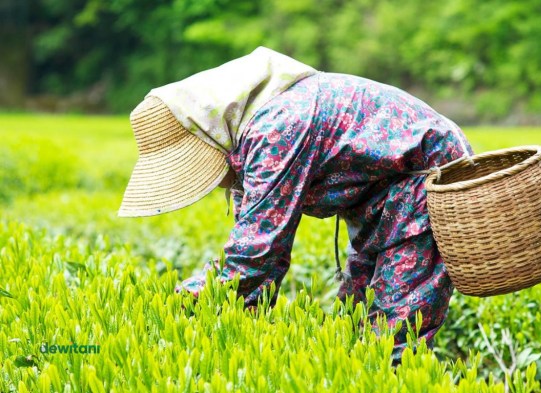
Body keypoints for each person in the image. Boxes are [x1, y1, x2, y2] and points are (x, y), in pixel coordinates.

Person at [118, 46, 474, 364]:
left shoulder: (278, 128)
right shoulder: (248, 140)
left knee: (391, 340)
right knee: (354, 323)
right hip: (378, 199)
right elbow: (251, 242)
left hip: (425, 183)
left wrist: (181, 302)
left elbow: (258, 253)